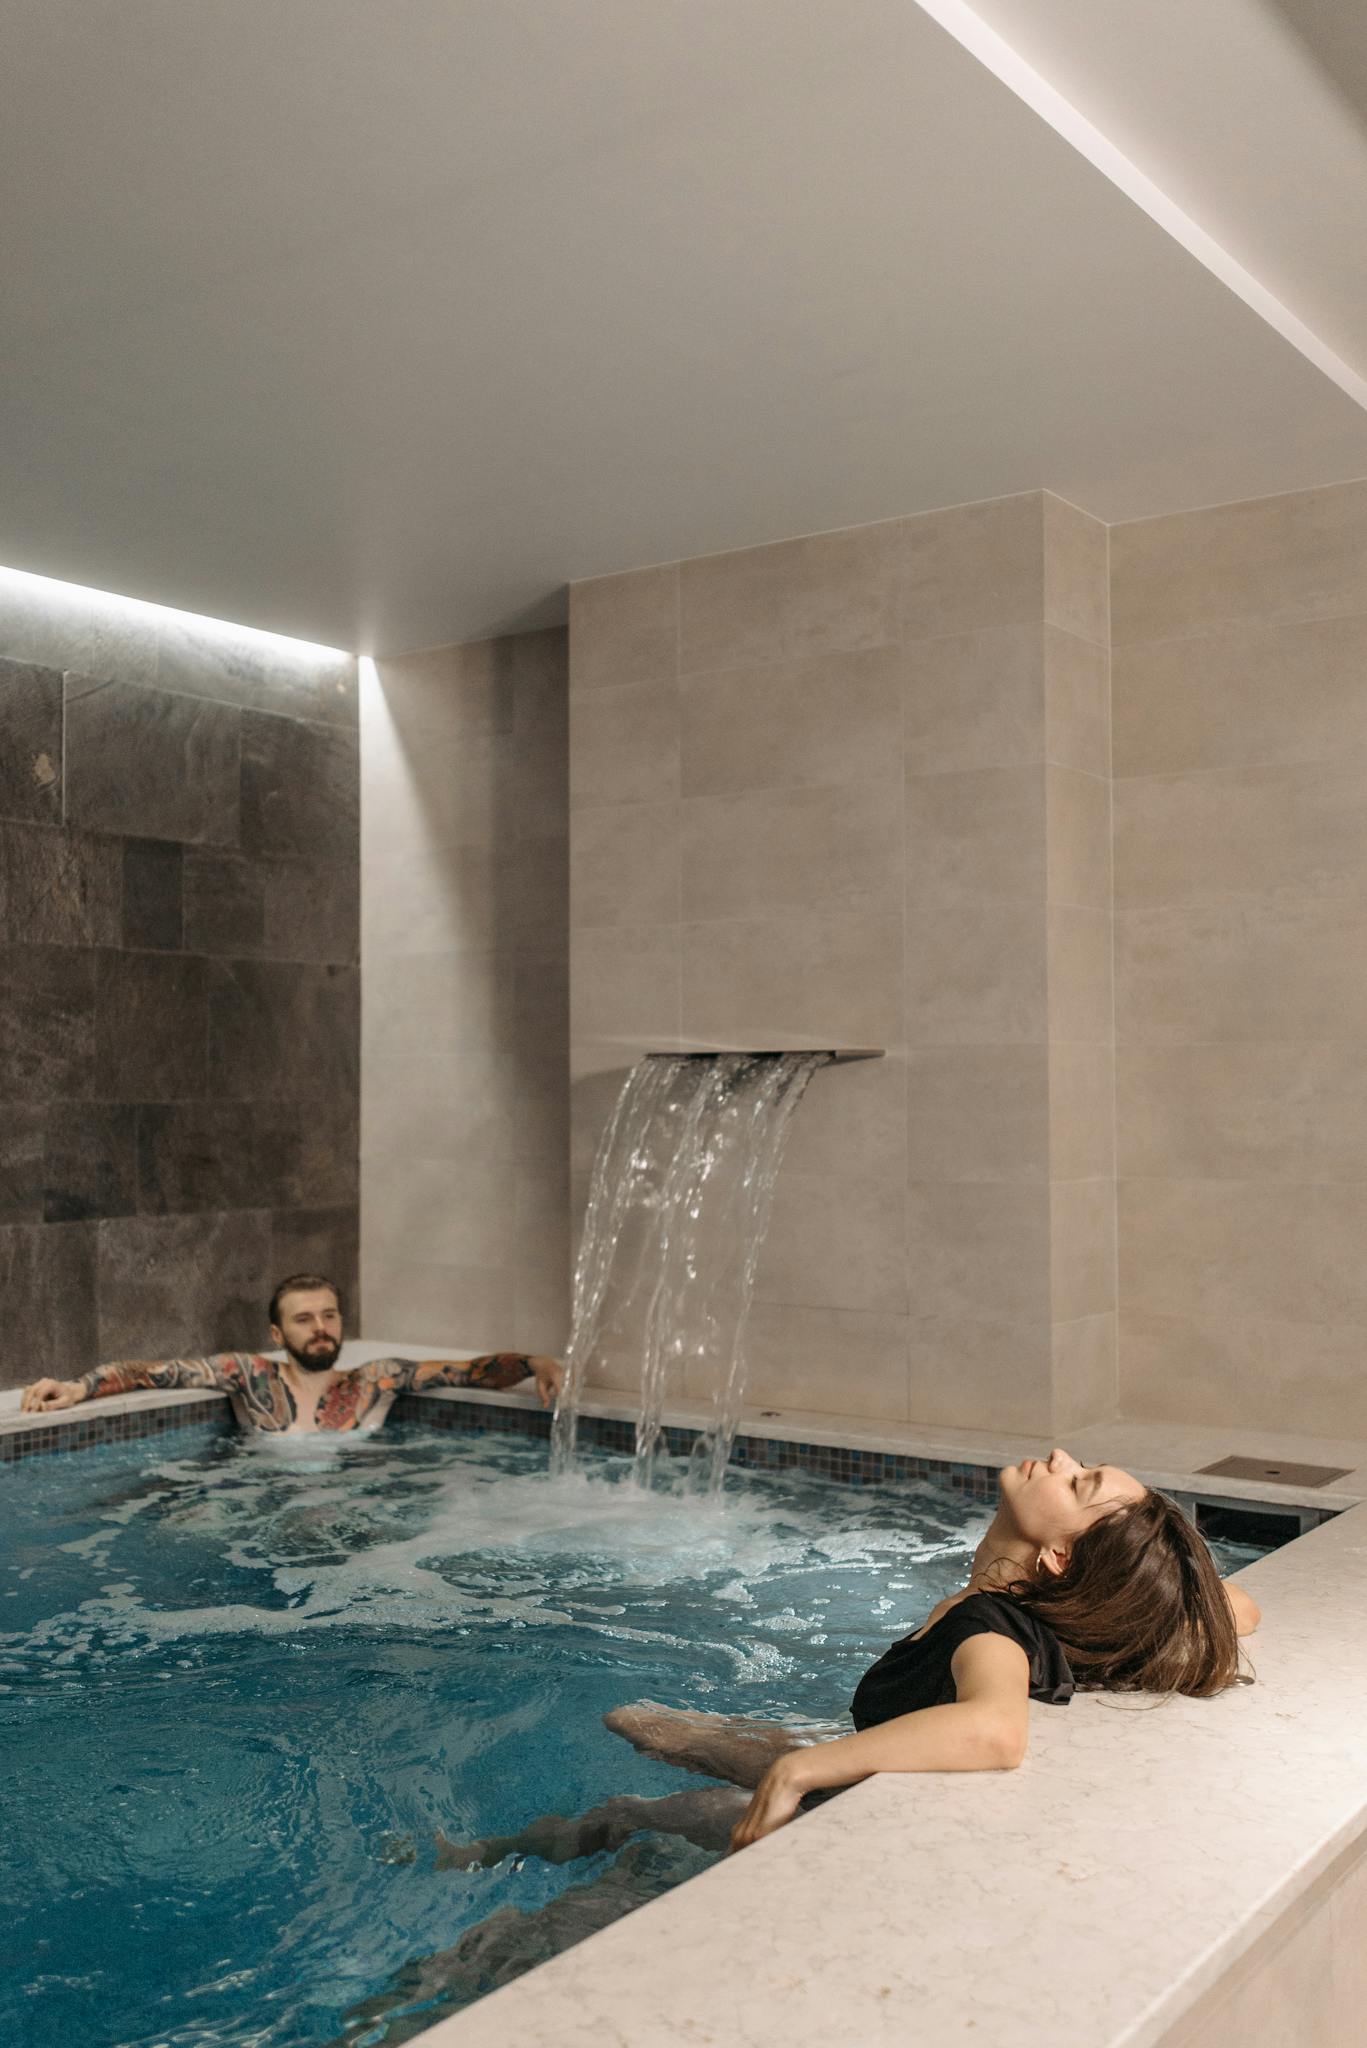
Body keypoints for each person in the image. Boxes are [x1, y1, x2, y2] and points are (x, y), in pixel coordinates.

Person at [440, 1447, 1262, 1872]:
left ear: (1054, 1558)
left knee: (620, 1811)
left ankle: (469, 1862)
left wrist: (798, 1773)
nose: (1058, 1459)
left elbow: (994, 1731)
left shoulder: (988, 1629)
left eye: (1078, 1483)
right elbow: (1236, 1607)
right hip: (854, 1763)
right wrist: (1181, 1597)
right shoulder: (1041, 1606)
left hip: (847, 1802)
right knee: (644, 1724)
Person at [19, 1272, 563, 1434]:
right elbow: (154, 1374)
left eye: (329, 1316)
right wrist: (77, 1387)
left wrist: (536, 1362)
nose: (321, 1329)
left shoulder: (375, 1380)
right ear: (278, 1335)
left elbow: (470, 1372)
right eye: (304, 1320)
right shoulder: (248, 1374)